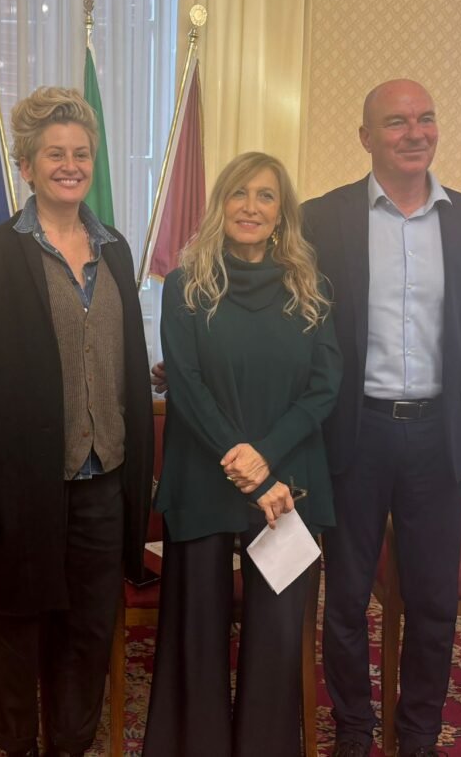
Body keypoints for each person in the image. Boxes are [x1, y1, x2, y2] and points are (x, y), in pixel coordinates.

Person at [303, 79, 461, 757]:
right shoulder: (322, 218)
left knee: (433, 602)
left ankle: (419, 732)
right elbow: (299, 330)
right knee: (345, 600)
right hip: (353, 435)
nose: (415, 133)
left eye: (426, 118)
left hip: (437, 439)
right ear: (366, 136)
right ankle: (354, 727)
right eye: (396, 122)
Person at [0, 87, 153, 757]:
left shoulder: (116, 251)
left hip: (104, 483)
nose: (70, 165)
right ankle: (16, 745)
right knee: (18, 629)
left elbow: (127, 365)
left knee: (89, 632)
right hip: (23, 486)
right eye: (55, 154)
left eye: (81, 153)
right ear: (27, 166)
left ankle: (71, 744)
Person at [142, 151, 342, 757]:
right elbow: (186, 384)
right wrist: (245, 462)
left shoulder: (310, 289)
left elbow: (324, 387)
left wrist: (265, 458)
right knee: (196, 633)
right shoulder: (187, 285)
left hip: (288, 483)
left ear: (282, 214)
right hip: (203, 478)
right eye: (239, 193)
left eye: (265, 196)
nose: (251, 207)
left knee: (277, 637)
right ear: (220, 204)